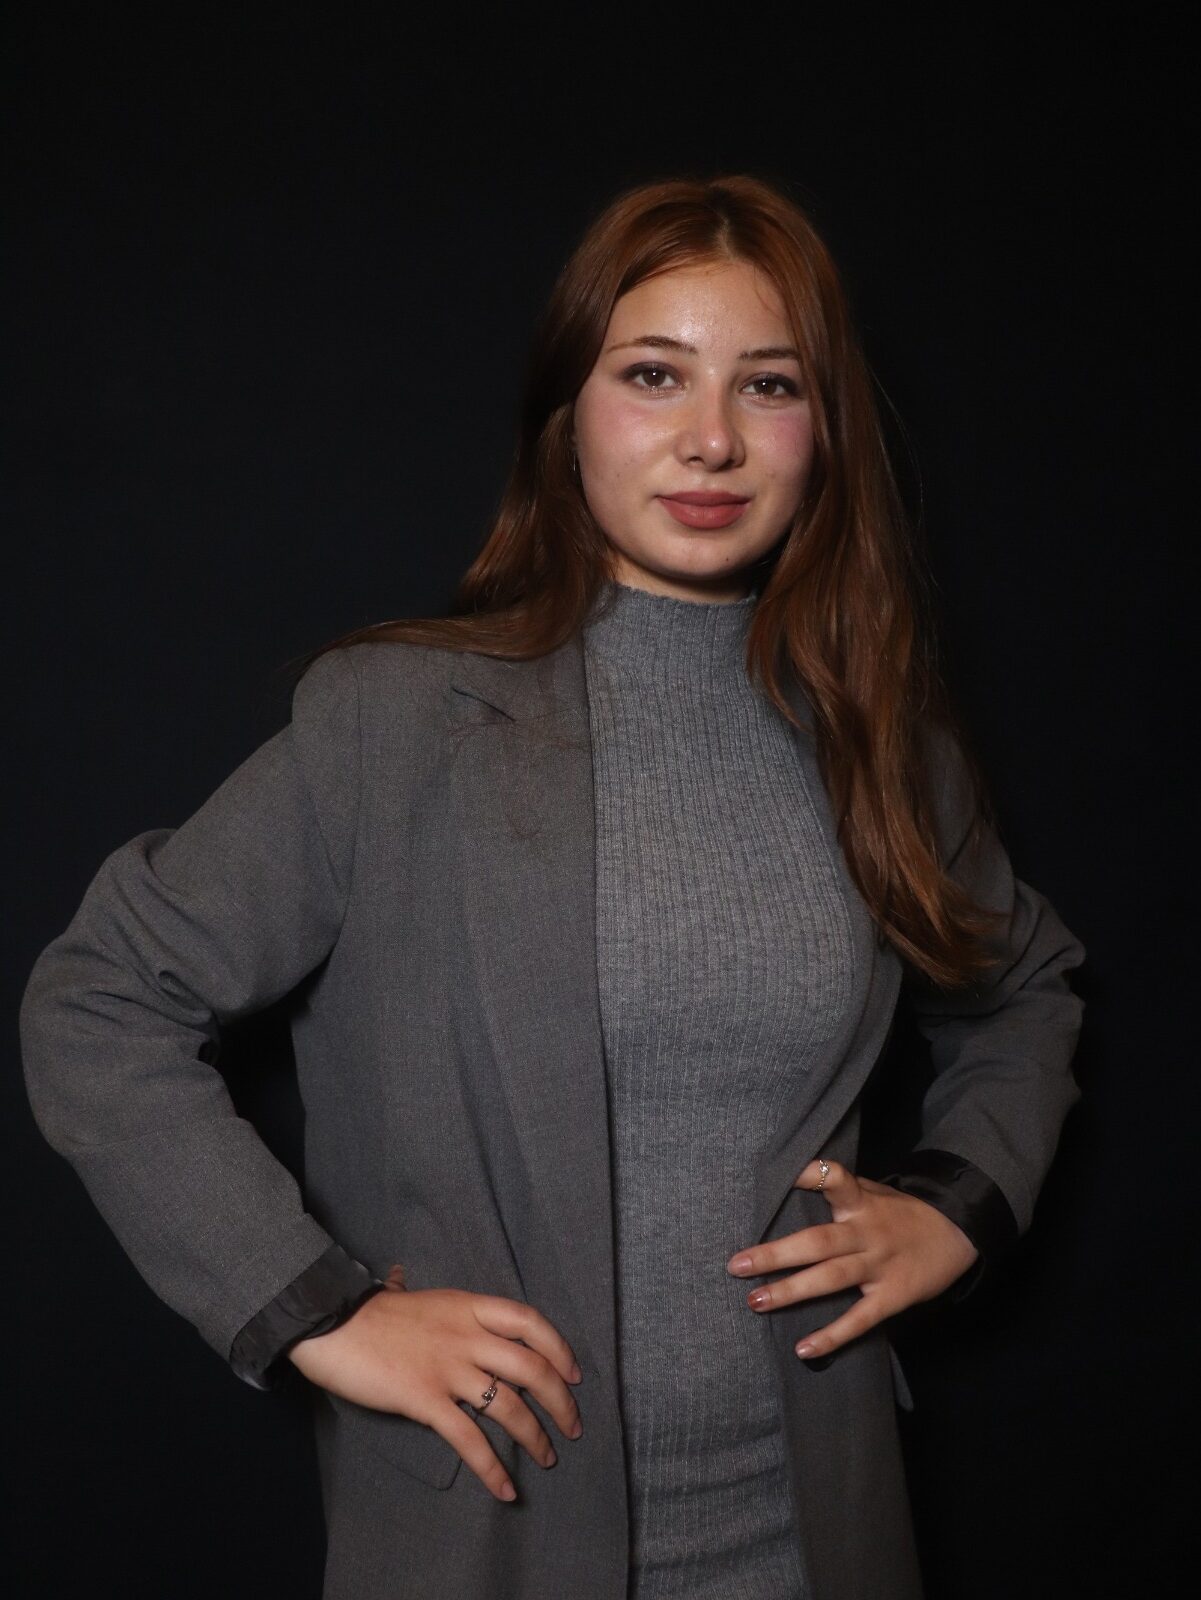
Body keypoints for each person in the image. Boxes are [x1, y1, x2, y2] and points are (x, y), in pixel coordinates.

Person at [19, 173, 1086, 1600]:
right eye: (653, 374)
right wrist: (311, 1305)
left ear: (824, 430)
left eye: (769, 385)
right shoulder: (394, 723)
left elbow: (1025, 988)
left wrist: (956, 1203)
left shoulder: (881, 746)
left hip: (817, 1535)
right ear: (564, 411)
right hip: (485, 1535)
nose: (711, 437)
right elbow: (99, 1000)